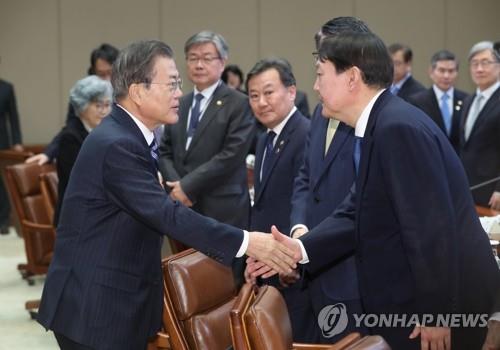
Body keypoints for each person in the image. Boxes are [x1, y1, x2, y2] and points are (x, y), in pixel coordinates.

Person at [36, 40, 296, 350]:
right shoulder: (118, 144)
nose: (179, 94)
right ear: (138, 91)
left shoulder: (128, 136)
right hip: (95, 307)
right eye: (171, 84)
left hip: (113, 300)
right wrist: (248, 242)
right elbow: (167, 214)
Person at [262, 30, 500, 349]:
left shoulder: (396, 129)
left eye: (320, 75)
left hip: (437, 310)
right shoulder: (378, 124)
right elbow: (357, 209)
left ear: (352, 78)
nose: (315, 86)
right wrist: (300, 249)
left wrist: (435, 316)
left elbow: (430, 229)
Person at [289, 16, 369, 343]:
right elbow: (306, 178)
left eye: (326, 55)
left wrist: (303, 247)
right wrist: (299, 229)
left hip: (350, 269)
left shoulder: (374, 121)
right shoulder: (321, 113)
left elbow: (360, 200)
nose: (318, 67)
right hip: (311, 269)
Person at [246, 57, 313, 341]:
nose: (261, 102)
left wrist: (292, 261)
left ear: (292, 91)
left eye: (269, 92)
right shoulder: (264, 138)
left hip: (291, 267)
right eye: (253, 95)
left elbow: (307, 203)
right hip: (266, 262)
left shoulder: (307, 134)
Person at [158, 31, 254, 229]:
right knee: (180, 260)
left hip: (222, 208)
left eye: (207, 58)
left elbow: (231, 155)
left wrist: (187, 187)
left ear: (223, 62)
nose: (199, 65)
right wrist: (176, 187)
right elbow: (164, 150)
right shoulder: (178, 102)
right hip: (180, 205)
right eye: (193, 58)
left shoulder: (239, 103)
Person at [26, 43, 119, 166]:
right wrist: (48, 153)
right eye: (101, 74)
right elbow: (71, 129)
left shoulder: (129, 94)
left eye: (111, 73)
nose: (107, 79)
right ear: (93, 72)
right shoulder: (84, 95)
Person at [54, 76, 112, 226]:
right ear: (82, 106)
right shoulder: (70, 137)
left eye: (107, 105)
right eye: (98, 105)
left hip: (97, 208)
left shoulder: (102, 132)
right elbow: (83, 181)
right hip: (75, 217)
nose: (104, 111)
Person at [459, 41, 500, 209]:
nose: (479, 69)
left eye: (485, 63)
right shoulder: (468, 100)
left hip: (493, 193)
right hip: (469, 189)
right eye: (474, 64)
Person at [407, 50, 468, 153]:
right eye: (442, 70)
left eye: (451, 71)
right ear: (431, 72)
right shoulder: (417, 101)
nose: (446, 76)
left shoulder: (466, 100)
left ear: (457, 73)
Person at [0, 77, 23, 234]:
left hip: (2, 141)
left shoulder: (6, 88)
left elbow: (13, 116)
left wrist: (17, 142)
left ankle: (3, 220)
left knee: (2, 182)